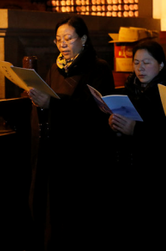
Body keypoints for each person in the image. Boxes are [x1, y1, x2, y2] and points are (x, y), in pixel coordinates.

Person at [27, 16, 115, 251]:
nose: (62, 44)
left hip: (85, 153)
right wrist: (39, 102)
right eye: (58, 40)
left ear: (83, 39)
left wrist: (53, 104)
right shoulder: (54, 68)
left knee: (81, 217)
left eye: (68, 38)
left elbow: (96, 109)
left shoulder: (98, 68)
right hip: (56, 150)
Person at [107, 38, 166, 250]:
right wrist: (114, 122)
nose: (140, 68)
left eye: (147, 62)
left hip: (158, 178)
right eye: (136, 63)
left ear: (161, 65)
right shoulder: (129, 91)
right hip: (129, 172)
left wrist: (136, 130)